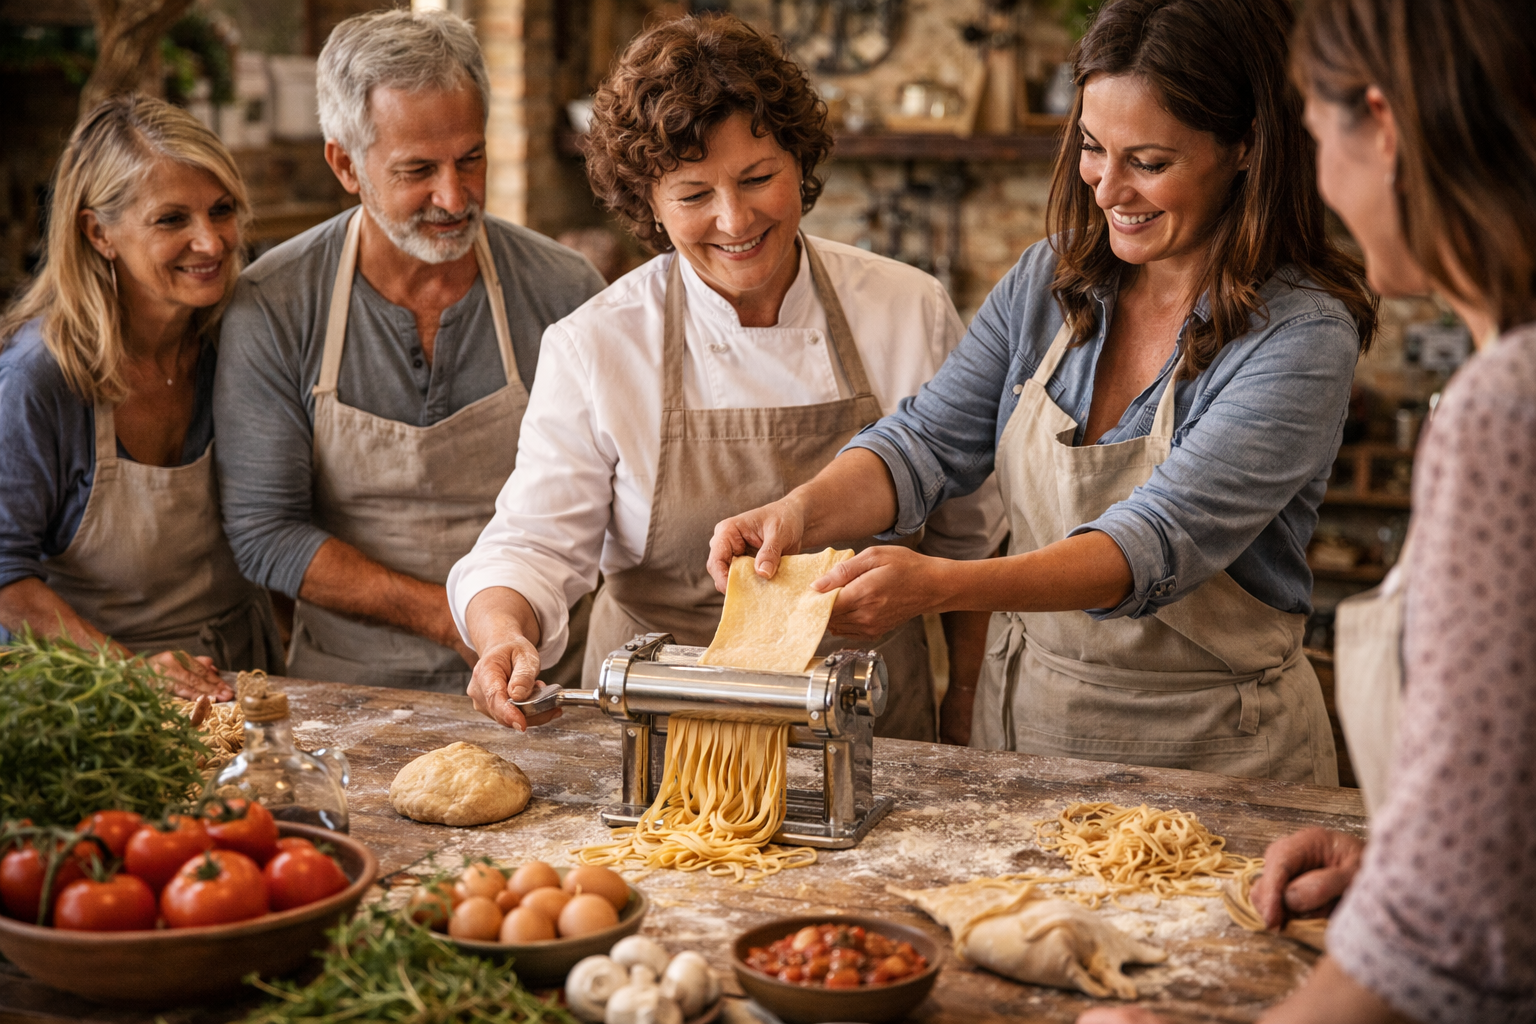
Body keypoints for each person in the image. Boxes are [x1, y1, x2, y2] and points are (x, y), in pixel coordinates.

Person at [710, 0, 1379, 783]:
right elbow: (926, 444)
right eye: (1094, 148)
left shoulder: (1301, 335)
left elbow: (1150, 545)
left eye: (1150, 162)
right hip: (1027, 733)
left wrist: (940, 588)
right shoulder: (1050, 279)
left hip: (1216, 750)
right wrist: (800, 512)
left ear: (1246, 148)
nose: (1107, 189)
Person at [1085, 1, 1536, 1021]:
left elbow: (1441, 941)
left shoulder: (1506, 412)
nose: (1322, 176)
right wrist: (1392, 856)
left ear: (1381, 125)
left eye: (1320, 133)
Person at [448, 14, 1005, 740]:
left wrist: (965, 696)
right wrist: (503, 636)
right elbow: (533, 543)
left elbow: (974, 535)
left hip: (868, 732)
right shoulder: (598, 343)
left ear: (800, 165)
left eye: (757, 177)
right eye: (693, 194)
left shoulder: (906, 309)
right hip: (661, 732)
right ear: (645, 201)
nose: (734, 219)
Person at [215, 8, 606, 693]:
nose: (453, 197)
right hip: (352, 690)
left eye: (471, 159)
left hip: (541, 683)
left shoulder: (563, 290)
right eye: (418, 170)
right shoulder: (276, 303)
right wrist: (457, 620)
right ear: (344, 164)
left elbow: (608, 500)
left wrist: (507, 632)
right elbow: (265, 531)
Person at [0, 95, 280, 699]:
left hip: (240, 673)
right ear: (99, 232)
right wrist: (128, 672)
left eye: (222, 210)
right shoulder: (37, 379)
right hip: (87, 694)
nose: (210, 242)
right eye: (172, 219)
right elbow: (5, 577)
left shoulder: (239, 343)